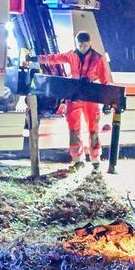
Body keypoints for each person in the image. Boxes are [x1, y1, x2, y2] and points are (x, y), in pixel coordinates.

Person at [39, 31, 112, 170]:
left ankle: (95, 159)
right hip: (75, 97)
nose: (83, 47)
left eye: (85, 45)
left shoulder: (98, 58)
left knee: (93, 129)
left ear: (89, 43)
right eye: (80, 45)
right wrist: (36, 59)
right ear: (76, 43)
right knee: (73, 129)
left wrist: (106, 102)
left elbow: (104, 82)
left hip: (90, 98)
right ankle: (78, 159)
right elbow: (55, 58)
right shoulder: (71, 55)